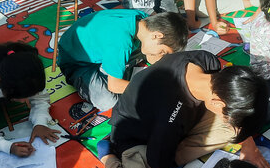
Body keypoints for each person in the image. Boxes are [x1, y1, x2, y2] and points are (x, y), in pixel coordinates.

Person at [98, 50, 270, 168]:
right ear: (217, 103)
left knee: (248, 120)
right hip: (138, 139)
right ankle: (108, 158)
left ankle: (173, 156)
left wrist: (249, 146)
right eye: (226, 116)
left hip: (181, 124)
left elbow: (239, 100)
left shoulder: (206, 61)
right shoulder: (168, 117)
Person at [57, 10, 188, 112]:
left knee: (143, 56)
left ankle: (110, 67)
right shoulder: (121, 41)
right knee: (106, 101)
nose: (160, 56)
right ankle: (105, 70)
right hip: (77, 62)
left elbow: (151, 57)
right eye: (162, 52)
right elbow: (114, 86)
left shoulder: (142, 20)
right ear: (157, 35)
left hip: (96, 45)